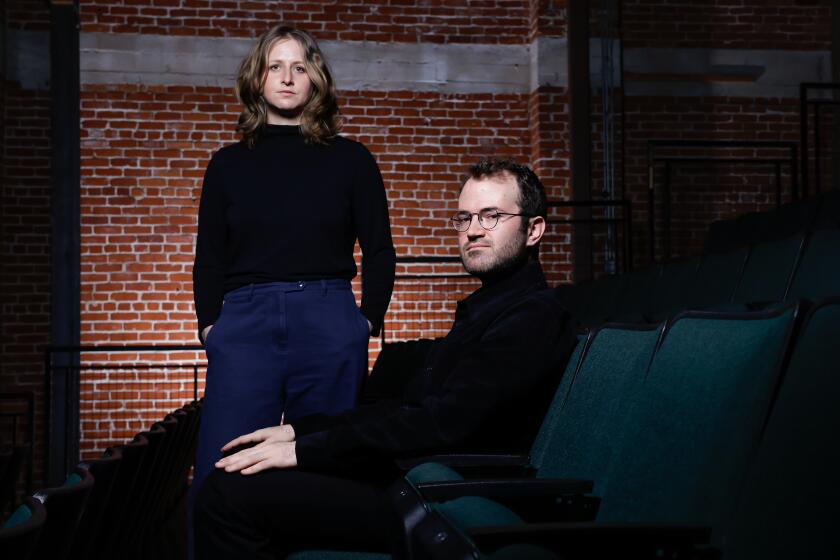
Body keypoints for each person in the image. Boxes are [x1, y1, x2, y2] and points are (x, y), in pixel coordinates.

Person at [194, 159, 577, 559]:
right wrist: (298, 433)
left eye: (491, 216)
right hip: (416, 482)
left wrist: (304, 450)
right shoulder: (487, 310)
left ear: (533, 230)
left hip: (441, 501)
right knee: (236, 477)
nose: (473, 230)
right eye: (463, 218)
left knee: (229, 495)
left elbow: (443, 423)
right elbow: (407, 408)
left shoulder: (532, 317)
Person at [190, 25, 396, 513]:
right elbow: (210, 257)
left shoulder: (352, 159)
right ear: (257, 78)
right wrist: (210, 327)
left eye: (299, 66)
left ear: (315, 80)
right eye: (275, 66)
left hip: (328, 319)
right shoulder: (226, 165)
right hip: (244, 323)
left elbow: (380, 249)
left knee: (329, 468)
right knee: (223, 469)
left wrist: (365, 321)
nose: (287, 77)